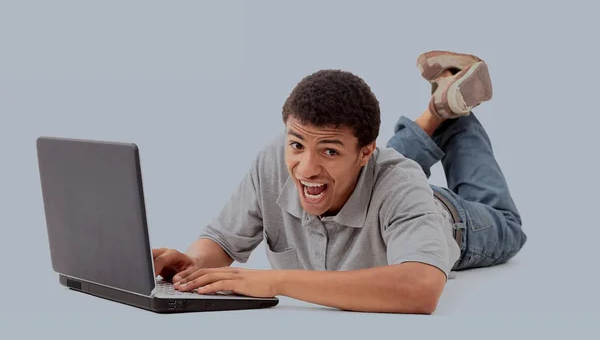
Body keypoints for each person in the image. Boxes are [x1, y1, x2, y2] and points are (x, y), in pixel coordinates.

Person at [152, 50, 527, 314]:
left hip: (449, 218)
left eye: (328, 151)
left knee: (507, 226)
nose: (305, 168)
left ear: (367, 153)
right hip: (374, 182)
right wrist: (194, 262)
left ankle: (451, 114)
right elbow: (221, 239)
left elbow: (422, 289)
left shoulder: (399, 182)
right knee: (364, 172)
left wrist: (275, 282)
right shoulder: (276, 158)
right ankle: (434, 111)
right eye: (296, 144)